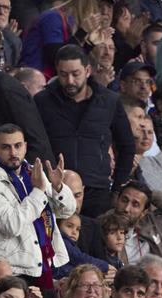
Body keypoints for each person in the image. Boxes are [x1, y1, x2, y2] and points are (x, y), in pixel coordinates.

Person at [35, 45, 135, 217]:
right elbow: (34, 142)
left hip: (97, 190)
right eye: (63, 74)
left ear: (88, 70)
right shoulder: (42, 101)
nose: (70, 81)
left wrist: (117, 188)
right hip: (55, 188)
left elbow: (127, 145)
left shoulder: (109, 101)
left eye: (75, 74)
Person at [0, 124, 73, 290]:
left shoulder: (33, 173)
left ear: (25, 147)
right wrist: (39, 191)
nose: (13, 153)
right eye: (6, 147)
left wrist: (58, 188)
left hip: (45, 262)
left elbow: (67, 210)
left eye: (18, 146)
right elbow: (12, 225)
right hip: (12, 270)